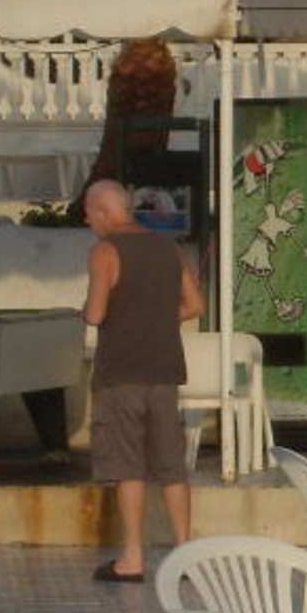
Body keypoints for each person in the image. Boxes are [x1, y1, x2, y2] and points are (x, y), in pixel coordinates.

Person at [82, 179, 205, 583]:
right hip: (164, 371)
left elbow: (96, 314)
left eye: (89, 213)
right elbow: (195, 305)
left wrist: (87, 310)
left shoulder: (105, 251)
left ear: (103, 211)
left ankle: (132, 558)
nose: (87, 221)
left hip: (122, 373)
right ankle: (185, 554)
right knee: (171, 466)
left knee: (128, 466)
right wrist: (156, 319)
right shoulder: (167, 248)